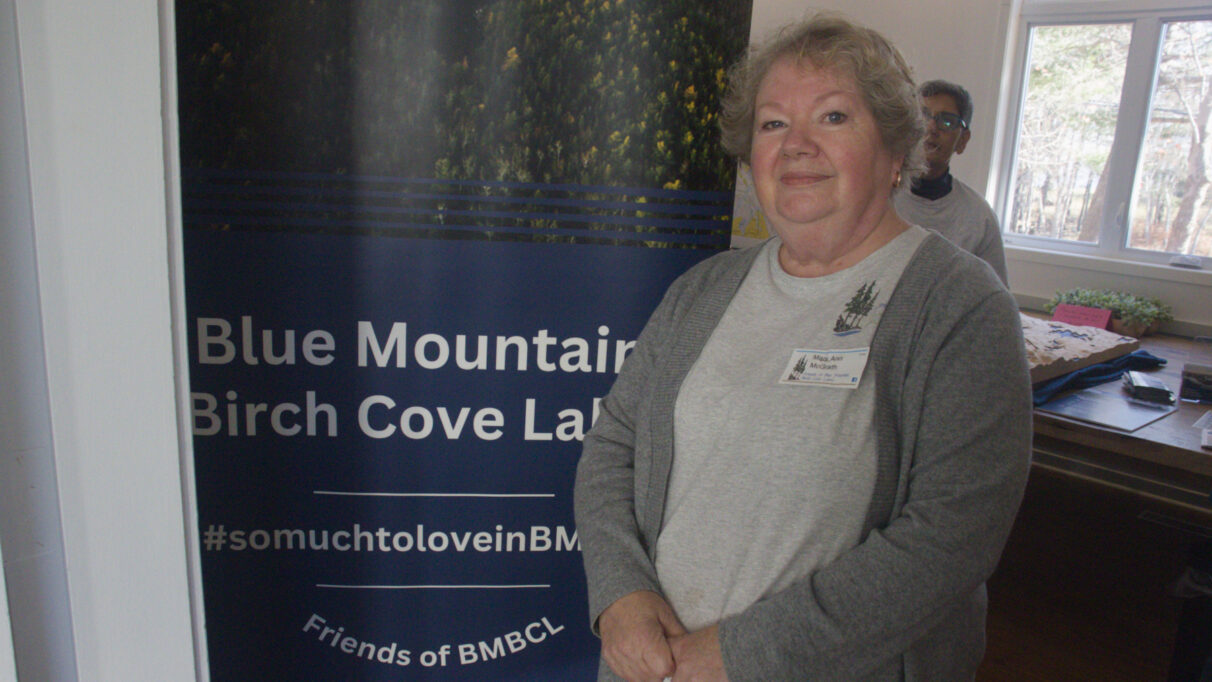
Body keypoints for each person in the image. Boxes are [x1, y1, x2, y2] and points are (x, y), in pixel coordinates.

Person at [573, 13, 1032, 682]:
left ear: (894, 149)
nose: (796, 146)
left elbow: (951, 538)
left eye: (834, 118)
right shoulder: (704, 289)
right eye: (772, 123)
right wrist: (620, 595)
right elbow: (614, 444)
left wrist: (740, 654)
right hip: (652, 667)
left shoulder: (960, 304)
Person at [893, 79, 1008, 284]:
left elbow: (995, 303)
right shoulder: (876, 198)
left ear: (962, 140)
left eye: (947, 121)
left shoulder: (980, 218)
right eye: (923, 115)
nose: (931, 127)